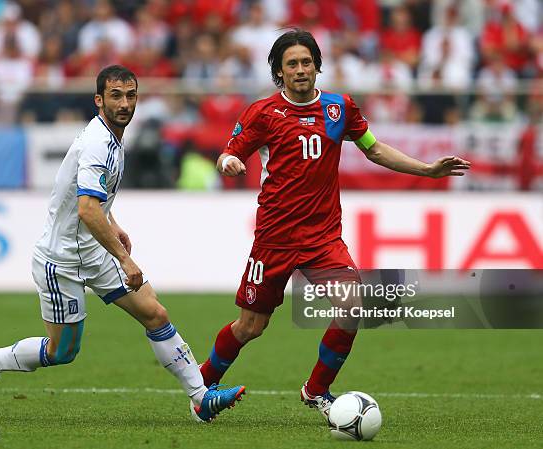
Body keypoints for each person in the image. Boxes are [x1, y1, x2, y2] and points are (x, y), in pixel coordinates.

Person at [198, 29, 470, 421]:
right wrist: (229, 163)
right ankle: (201, 386)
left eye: (307, 62)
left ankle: (317, 390)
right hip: (274, 238)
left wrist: (426, 170)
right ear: (279, 70)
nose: (301, 69)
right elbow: (228, 153)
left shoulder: (339, 108)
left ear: (317, 66)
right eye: (291, 63)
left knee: (351, 305)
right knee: (251, 326)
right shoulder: (262, 113)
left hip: (323, 237)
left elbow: (374, 148)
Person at [0, 65, 245, 422]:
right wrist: (125, 259)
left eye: (130, 95)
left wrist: (114, 223)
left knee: (155, 313)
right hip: (61, 259)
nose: (124, 103)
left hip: (94, 251)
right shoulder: (98, 143)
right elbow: (85, 209)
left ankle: (200, 398)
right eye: (115, 95)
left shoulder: (113, 137)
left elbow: (94, 202)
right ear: (99, 100)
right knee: (63, 351)